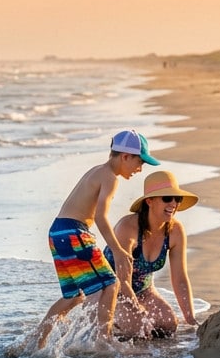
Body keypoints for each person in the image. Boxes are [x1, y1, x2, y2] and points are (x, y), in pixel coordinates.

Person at [39, 129, 159, 345]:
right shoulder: (110, 178)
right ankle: (103, 341)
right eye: (140, 162)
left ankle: (36, 340)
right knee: (111, 284)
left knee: (73, 296)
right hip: (75, 232)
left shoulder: (96, 171)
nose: (140, 169)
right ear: (125, 156)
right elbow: (101, 217)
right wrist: (118, 251)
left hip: (57, 232)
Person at [101, 170, 200, 338]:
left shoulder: (175, 231)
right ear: (149, 201)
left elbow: (180, 278)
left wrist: (190, 318)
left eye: (177, 199)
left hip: (144, 291)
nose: (173, 204)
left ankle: (128, 326)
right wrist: (138, 310)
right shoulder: (127, 228)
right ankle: (112, 327)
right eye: (167, 198)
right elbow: (122, 280)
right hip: (111, 291)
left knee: (169, 324)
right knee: (138, 328)